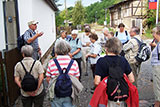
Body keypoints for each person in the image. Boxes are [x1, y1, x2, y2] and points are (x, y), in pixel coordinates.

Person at [93, 37, 135, 107]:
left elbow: (97, 82)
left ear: (106, 48)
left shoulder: (101, 61)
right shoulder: (123, 60)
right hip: (121, 96)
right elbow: (132, 79)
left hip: (107, 97)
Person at [46, 40, 80, 107]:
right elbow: (77, 79)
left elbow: (48, 79)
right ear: (68, 49)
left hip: (56, 93)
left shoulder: (51, 62)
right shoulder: (74, 63)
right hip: (70, 93)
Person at [150, 26, 160, 107]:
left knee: (157, 87)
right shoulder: (158, 44)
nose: (153, 35)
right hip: (156, 67)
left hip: (157, 68)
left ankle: (157, 104)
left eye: (153, 33)